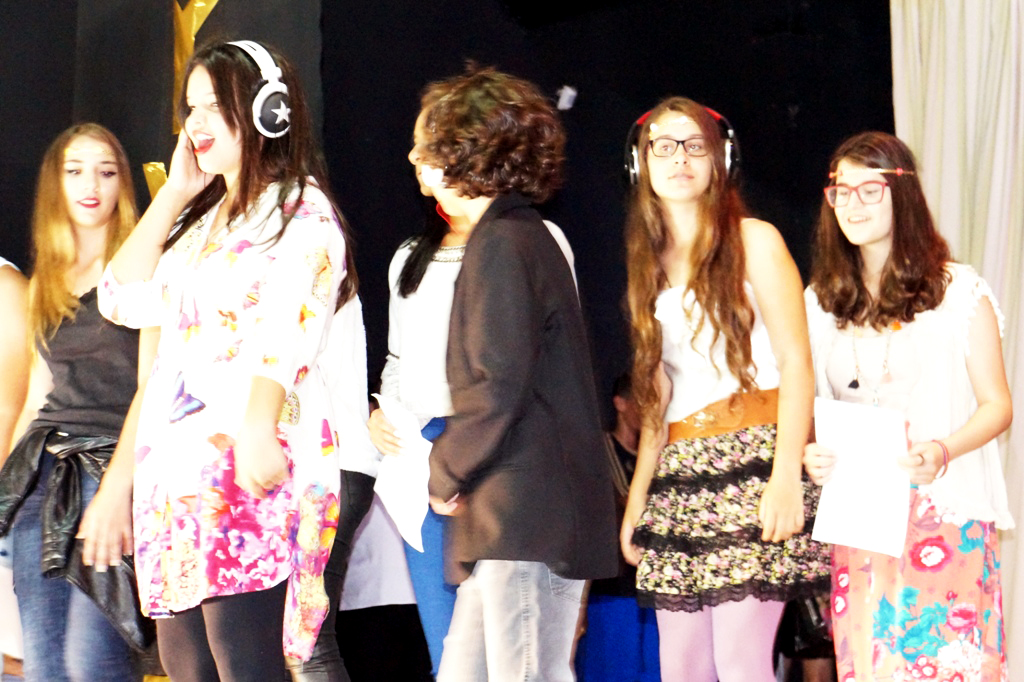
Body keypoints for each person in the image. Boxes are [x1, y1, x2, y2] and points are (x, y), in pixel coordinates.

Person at [79, 40, 358, 681]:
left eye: (213, 106)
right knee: (185, 663)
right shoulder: (199, 225)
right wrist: (175, 194)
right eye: (190, 107)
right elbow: (119, 298)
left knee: (243, 656)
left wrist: (258, 426)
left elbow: (292, 323)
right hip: (175, 476)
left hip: (243, 461)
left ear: (266, 111)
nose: (195, 122)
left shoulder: (302, 211)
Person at [405, 65, 618, 681]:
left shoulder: (505, 242)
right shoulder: (514, 237)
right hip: (514, 519)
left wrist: (444, 469)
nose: (414, 159)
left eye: (425, 144)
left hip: (528, 519)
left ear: (466, 151)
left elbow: (496, 385)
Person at [619, 97, 830, 682]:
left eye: (695, 146)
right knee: (681, 667)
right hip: (681, 473)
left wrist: (785, 477)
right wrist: (638, 499)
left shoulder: (754, 239)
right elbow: (656, 400)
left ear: (719, 160)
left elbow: (798, 363)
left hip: (755, 462)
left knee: (739, 662)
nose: (679, 159)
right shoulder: (647, 262)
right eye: (664, 146)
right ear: (641, 162)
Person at [803, 131, 1012, 681]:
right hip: (861, 515)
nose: (852, 204)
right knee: (872, 665)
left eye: (869, 189)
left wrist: (942, 450)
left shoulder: (958, 291)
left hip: (941, 511)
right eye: (841, 191)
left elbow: (997, 405)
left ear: (903, 193)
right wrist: (811, 453)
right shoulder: (821, 301)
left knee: (943, 663)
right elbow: (811, 411)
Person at [368, 184, 578, 676]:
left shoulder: (536, 238)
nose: (424, 171)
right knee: (449, 649)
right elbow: (398, 357)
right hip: (424, 454)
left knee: (516, 642)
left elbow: (551, 354)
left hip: (506, 450)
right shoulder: (410, 255)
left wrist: (473, 449)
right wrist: (384, 411)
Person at [0, 123, 143, 681]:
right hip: (41, 475)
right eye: (75, 171)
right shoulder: (47, 280)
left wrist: (118, 490)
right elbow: (36, 398)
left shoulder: (142, 266)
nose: (91, 185)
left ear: (123, 183)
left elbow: (155, 387)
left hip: (111, 468)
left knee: (93, 661)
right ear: (54, 184)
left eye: (106, 172)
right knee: (45, 665)